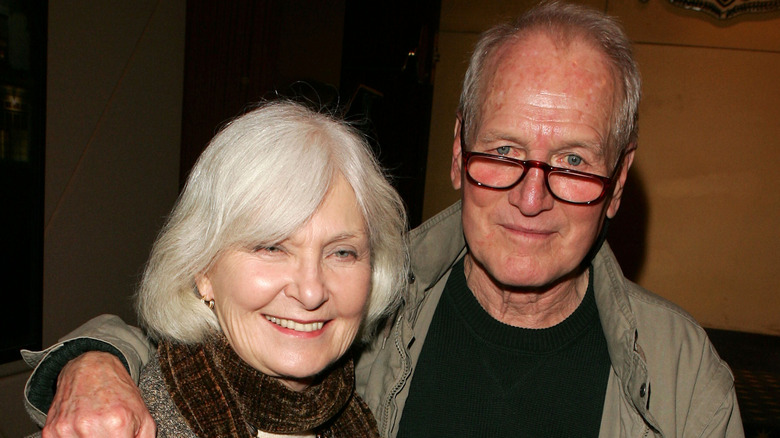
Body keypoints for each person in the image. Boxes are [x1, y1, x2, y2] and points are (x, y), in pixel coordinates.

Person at [23, 2, 743, 437]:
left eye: (575, 163)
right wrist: (92, 362)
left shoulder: (681, 374)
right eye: (504, 150)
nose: (532, 195)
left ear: (617, 184)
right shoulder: (372, 306)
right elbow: (192, 334)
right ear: (460, 155)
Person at [23, 100, 408, 437]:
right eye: (271, 246)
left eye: (341, 253)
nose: (311, 291)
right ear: (203, 270)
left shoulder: (365, 412)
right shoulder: (113, 428)